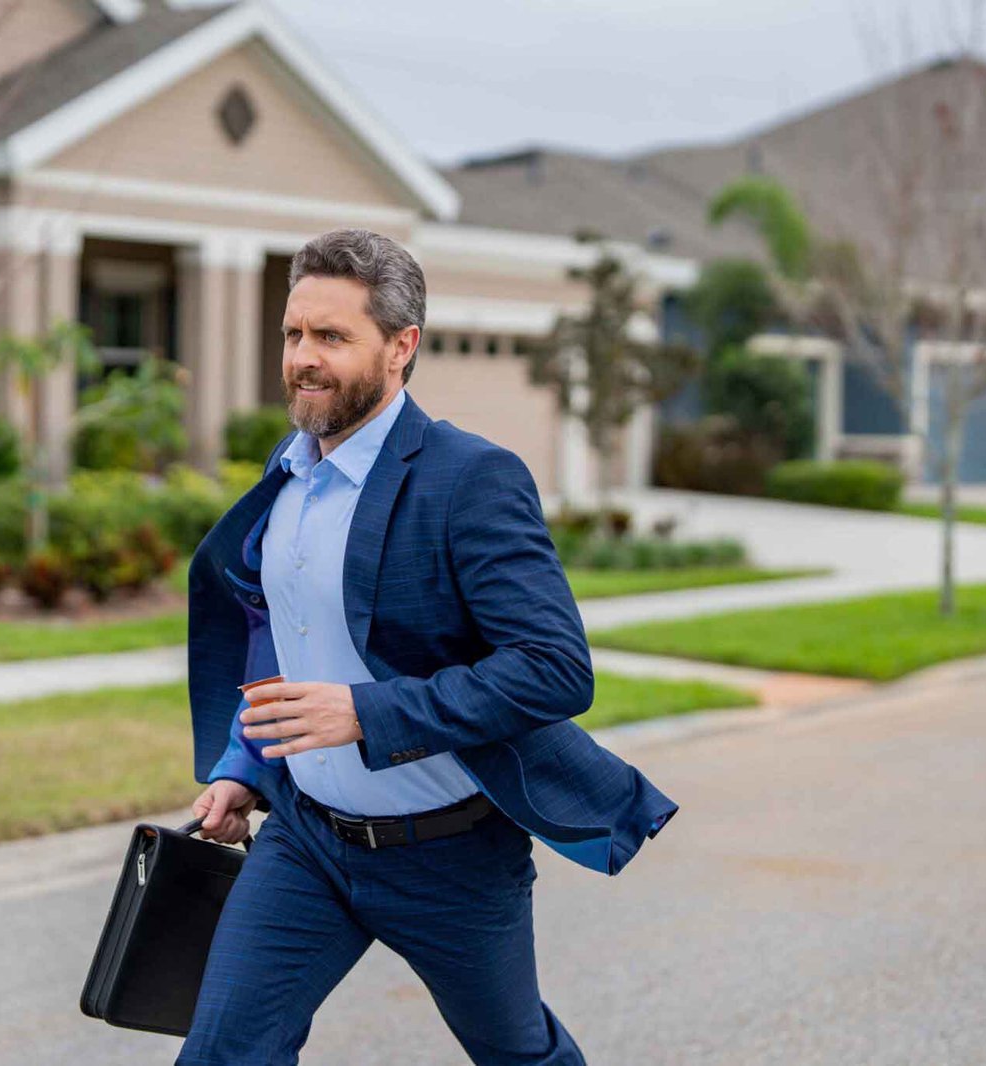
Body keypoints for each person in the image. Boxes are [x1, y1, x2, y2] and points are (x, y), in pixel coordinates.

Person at [177, 228, 678, 1065]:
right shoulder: (290, 469)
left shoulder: (468, 479)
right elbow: (280, 637)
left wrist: (366, 715)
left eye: (332, 337)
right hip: (306, 841)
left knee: (518, 1054)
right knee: (223, 1052)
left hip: (447, 854)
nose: (303, 357)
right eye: (295, 334)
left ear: (401, 346)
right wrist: (247, 764)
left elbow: (554, 669)